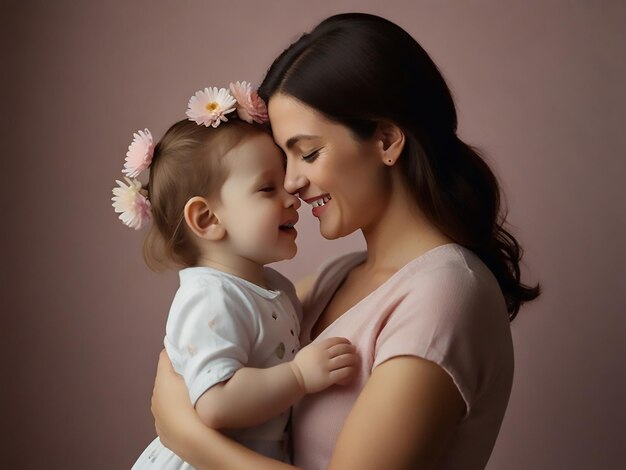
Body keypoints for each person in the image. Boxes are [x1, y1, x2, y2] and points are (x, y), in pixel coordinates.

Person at [149, 13, 541, 470]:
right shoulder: (336, 277)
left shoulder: (446, 296)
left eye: (308, 152)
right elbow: (200, 342)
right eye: (282, 160)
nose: (292, 182)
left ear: (387, 139)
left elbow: (180, 396)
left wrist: (186, 436)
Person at [112, 84, 358, 469]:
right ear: (207, 219)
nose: (292, 195)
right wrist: (298, 375)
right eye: (267, 187)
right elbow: (216, 401)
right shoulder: (210, 297)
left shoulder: (272, 286)